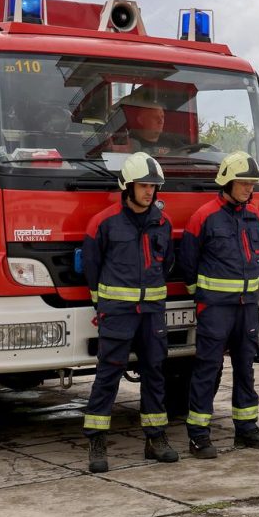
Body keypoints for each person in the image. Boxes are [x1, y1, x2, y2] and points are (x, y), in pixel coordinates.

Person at [80, 152, 178, 473]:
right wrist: (104, 306)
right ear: (128, 186)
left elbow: (168, 264)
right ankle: (97, 442)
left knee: (154, 373)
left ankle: (156, 439)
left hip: (151, 314)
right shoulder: (104, 223)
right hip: (117, 314)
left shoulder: (163, 223)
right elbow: (92, 269)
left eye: (154, 186)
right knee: (107, 375)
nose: (150, 191)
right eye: (144, 185)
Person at [179, 151, 259, 457]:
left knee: (246, 367)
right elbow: (188, 262)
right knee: (208, 369)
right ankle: (199, 436)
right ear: (227, 182)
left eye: (252, 183)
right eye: (244, 183)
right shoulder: (204, 217)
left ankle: (246, 428)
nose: (249, 188)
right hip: (216, 308)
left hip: (245, 308)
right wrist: (203, 298)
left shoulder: (252, 216)